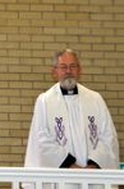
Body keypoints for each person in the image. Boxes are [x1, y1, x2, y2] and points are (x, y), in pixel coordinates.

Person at [23, 49, 119, 188]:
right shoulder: (45, 101)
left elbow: (108, 136)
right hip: (62, 177)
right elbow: (41, 140)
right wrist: (71, 166)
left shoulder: (95, 99)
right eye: (63, 67)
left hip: (93, 177)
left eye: (73, 66)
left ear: (79, 70)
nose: (68, 71)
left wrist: (93, 165)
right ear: (54, 71)